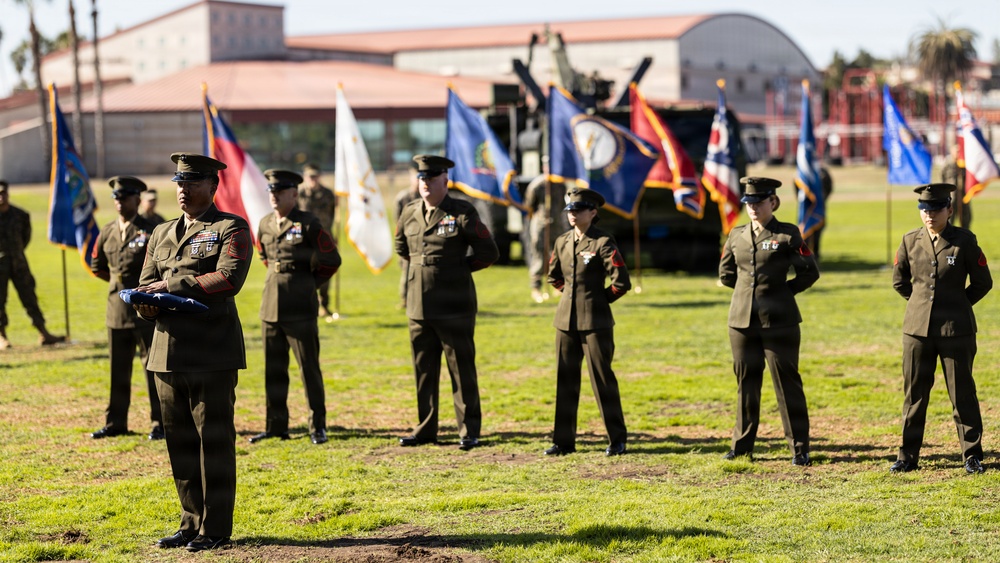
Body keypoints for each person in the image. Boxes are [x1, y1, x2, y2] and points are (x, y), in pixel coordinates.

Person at [134, 153, 252, 552]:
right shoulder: (161, 233)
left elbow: (228, 278)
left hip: (211, 352)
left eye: (193, 182)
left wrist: (171, 286)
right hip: (166, 352)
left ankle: (216, 528)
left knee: (213, 440)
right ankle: (190, 523)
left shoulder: (230, 227)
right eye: (179, 182)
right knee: (180, 442)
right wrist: (144, 304)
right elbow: (145, 284)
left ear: (213, 185)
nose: (183, 189)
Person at [394, 155, 498, 451]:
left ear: (445, 181)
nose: (425, 184)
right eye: (422, 179)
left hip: (454, 304)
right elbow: (402, 247)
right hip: (418, 305)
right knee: (423, 369)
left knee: (461, 368)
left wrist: (456, 270)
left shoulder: (462, 211)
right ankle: (426, 429)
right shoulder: (410, 211)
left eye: (431, 179)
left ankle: (469, 431)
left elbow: (488, 252)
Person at [890, 183, 992, 474]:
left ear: (949, 209)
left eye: (935, 209)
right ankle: (907, 456)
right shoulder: (910, 240)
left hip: (956, 330)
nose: (929, 215)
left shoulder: (964, 241)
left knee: (962, 393)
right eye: (924, 209)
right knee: (915, 395)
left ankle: (971, 454)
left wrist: (959, 304)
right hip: (917, 332)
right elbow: (900, 282)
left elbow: (983, 282)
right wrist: (921, 307)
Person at [718, 177, 819, 466]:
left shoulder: (787, 235)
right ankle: (741, 446)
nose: (753, 208)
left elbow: (809, 272)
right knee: (746, 384)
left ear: (772, 202)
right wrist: (746, 295)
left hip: (780, 322)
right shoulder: (736, 235)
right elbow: (726, 274)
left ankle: (799, 448)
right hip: (741, 322)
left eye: (759, 202)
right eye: (748, 203)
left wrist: (784, 292)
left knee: (787, 384)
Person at [249, 169, 341, 446]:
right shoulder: (264, 223)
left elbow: (331, 259)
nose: (274, 196)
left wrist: (308, 284)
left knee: (308, 368)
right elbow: (264, 256)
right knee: (273, 370)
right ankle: (276, 426)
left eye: (280, 192)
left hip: (300, 305)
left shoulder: (308, 222)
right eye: (271, 192)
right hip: (271, 305)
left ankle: (318, 426)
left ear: (294, 194)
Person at [543, 188, 631, 457]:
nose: (572, 214)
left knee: (602, 380)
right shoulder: (562, 241)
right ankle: (563, 441)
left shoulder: (603, 242)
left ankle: (616, 439)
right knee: (565, 380)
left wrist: (597, 302)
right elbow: (554, 277)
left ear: (593, 213)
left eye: (578, 210)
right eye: (570, 210)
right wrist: (572, 297)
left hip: (595, 322)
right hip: (565, 322)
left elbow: (621, 282)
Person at [89, 176, 163, 440]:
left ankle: (160, 422)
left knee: (152, 368)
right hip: (116, 308)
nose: (120, 203)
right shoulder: (107, 230)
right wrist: (116, 284)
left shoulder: (152, 229)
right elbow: (97, 266)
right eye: (117, 198)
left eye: (126, 198)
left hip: (145, 306)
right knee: (118, 369)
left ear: (137, 199)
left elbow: (161, 267)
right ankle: (115, 422)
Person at [0, 180, 65, 349]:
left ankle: (43, 332)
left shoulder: (20, 215)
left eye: (3, 193)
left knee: (30, 297)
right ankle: (2, 336)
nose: (1, 197)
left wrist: (15, 252)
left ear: (8, 194)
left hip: (19, 264)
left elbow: (25, 237)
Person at [297, 163, 337, 319]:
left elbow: (333, 214)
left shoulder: (328, 194)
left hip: (324, 239)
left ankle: (324, 305)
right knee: (305, 272)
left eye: (315, 176)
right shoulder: (299, 194)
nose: (313, 179)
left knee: (325, 271)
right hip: (305, 240)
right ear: (305, 177)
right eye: (309, 176)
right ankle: (307, 304)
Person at [524, 172, 568, 303]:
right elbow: (529, 206)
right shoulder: (538, 185)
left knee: (558, 256)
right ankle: (536, 288)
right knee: (539, 256)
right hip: (540, 224)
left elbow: (562, 205)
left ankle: (558, 285)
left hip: (558, 223)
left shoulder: (561, 184)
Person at [393, 165, 420, 307]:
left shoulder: (428, 197)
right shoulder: (403, 198)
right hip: (408, 242)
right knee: (407, 271)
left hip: (424, 243)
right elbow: (397, 223)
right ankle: (405, 299)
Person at [804, 166, 833, 261]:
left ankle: (816, 254)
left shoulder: (823, 172)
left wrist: (821, 200)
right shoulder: (803, 171)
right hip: (806, 208)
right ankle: (805, 256)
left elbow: (829, 187)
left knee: (818, 232)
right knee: (805, 231)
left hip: (819, 208)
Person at [941, 144, 971, 228]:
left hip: (963, 195)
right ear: (951, 151)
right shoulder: (947, 163)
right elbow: (942, 177)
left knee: (965, 218)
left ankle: (965, 237)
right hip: (951, 196)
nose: (958, 153)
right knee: (949, 219)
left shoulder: (964, 162)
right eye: (956, 151)